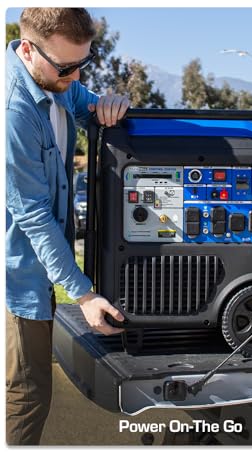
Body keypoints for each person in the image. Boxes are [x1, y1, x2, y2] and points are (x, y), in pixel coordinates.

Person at [6, 8, 130, 445]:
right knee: (25, 393)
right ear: (27, 49)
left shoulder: (57, 82)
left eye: (84, 64)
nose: (76, 77)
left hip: (37, 267)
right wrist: (85, 294)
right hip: (16, 274)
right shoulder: (13, 111)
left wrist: (109, 106)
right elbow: (34, 215)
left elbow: (88, 106)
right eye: (66, 67)